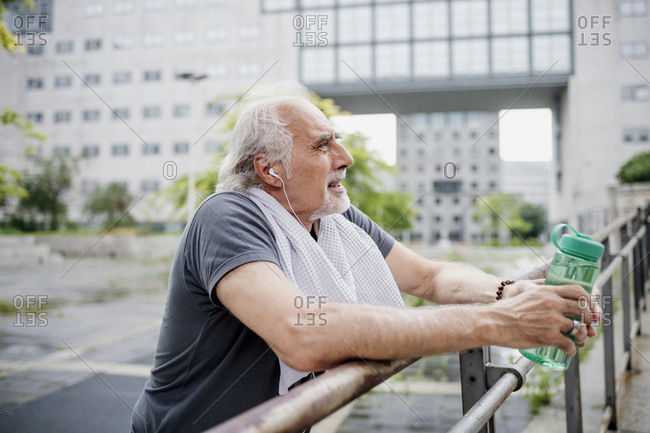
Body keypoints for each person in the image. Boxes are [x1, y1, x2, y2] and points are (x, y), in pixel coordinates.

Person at [131, 81, 600, 433]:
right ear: (270, 170)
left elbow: (431, 277)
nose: (346, 156)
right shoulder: (227, 216)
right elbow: (303, 333)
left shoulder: (333, 218)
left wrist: (506, 291)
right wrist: (499, 322)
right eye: (323, 144)